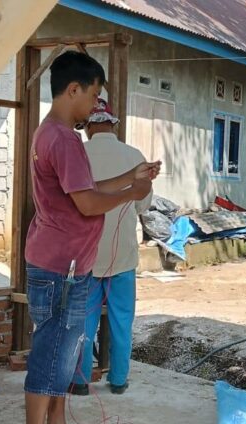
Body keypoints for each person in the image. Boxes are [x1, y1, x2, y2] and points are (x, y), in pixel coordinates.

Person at [22, 51, 160, 424]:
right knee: (51, 354)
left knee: (64, 354)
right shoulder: (63, 139)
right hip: (59, 265)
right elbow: (88, 204)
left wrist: (129, 177)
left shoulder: (52, 133)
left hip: (63, 260)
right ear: (73, 89)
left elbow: (87, 189)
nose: (95, 104)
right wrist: (132, 192)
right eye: (94, 95)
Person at [69, 98, 153, 396]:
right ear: (112, 123)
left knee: (83, 321)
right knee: (121, 321)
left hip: (85, 254)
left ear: (87, 126)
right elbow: (144, 205)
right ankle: (118, 381)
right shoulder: (134, 157)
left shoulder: (77, 154)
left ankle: (79, 380)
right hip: (123, 256)